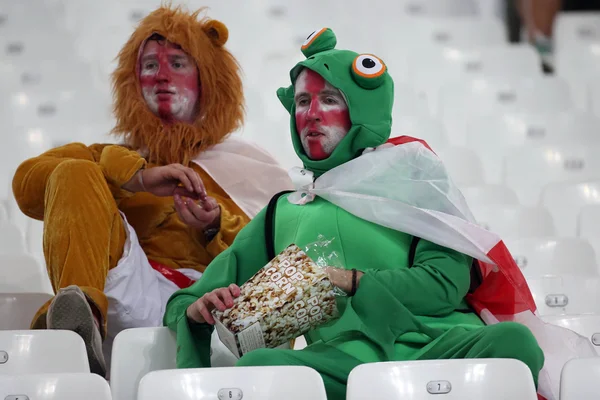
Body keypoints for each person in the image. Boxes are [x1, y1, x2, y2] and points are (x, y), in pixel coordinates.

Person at [164, 28, 547, 400]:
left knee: (513, 343)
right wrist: (199, 311)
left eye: (329, 99)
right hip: (345, 363)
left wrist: (352, 281)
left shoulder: (412, 184)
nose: (311, 115)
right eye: (301, 102)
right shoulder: (281, 211)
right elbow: (186, 302)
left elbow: (445, 284)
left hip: (436, 346)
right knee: (261, 369)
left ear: (362, 110)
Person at [12, 5, 291, 377]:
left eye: (177, 63)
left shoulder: (247, 161)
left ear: (208, 78)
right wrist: (134, 176)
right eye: (148, 66)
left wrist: (214, 225)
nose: (161, 76)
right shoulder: (115, 158)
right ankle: (78, 332)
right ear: (131, 81)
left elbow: (283, 255)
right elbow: (27, 185)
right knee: (75, 171)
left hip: (206, 302)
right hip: (126, 291)